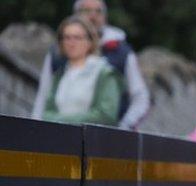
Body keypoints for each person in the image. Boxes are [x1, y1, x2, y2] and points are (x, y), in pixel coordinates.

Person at [32, 0, 148, 129]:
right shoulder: (58, 59)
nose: (93, 16)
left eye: (98, 11)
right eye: (86, 10)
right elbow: (43, 99)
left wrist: (124, 128)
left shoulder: (117, 57)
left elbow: (108, 113)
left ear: (89, 43)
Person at [37, 16, 121, 126]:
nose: (71, 43)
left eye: (77, 37)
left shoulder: (105, 73)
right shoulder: (60, 74)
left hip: (90, 140)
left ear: (90, 41)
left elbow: (106, 115)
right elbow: (46, 113)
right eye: (67, 37)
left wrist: (61, 120)